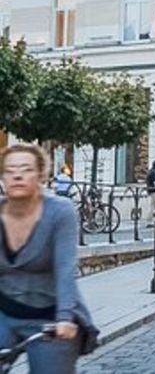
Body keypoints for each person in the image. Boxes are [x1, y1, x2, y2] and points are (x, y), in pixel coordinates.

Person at [1, 143, 96, 372]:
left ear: (41, 175)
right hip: (4, 313)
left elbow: (65, 269)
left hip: (51, 317)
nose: (17, 176)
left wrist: (64, 317)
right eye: (10, 170)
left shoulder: (59, 212)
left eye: (26, 169)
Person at [144, 161, 155, 227]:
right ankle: (151, 221)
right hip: (154, 191)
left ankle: (150, 220)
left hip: (151, 191)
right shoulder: (154, 173)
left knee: (152, 206)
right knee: (154, 206)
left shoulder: (151, 171)